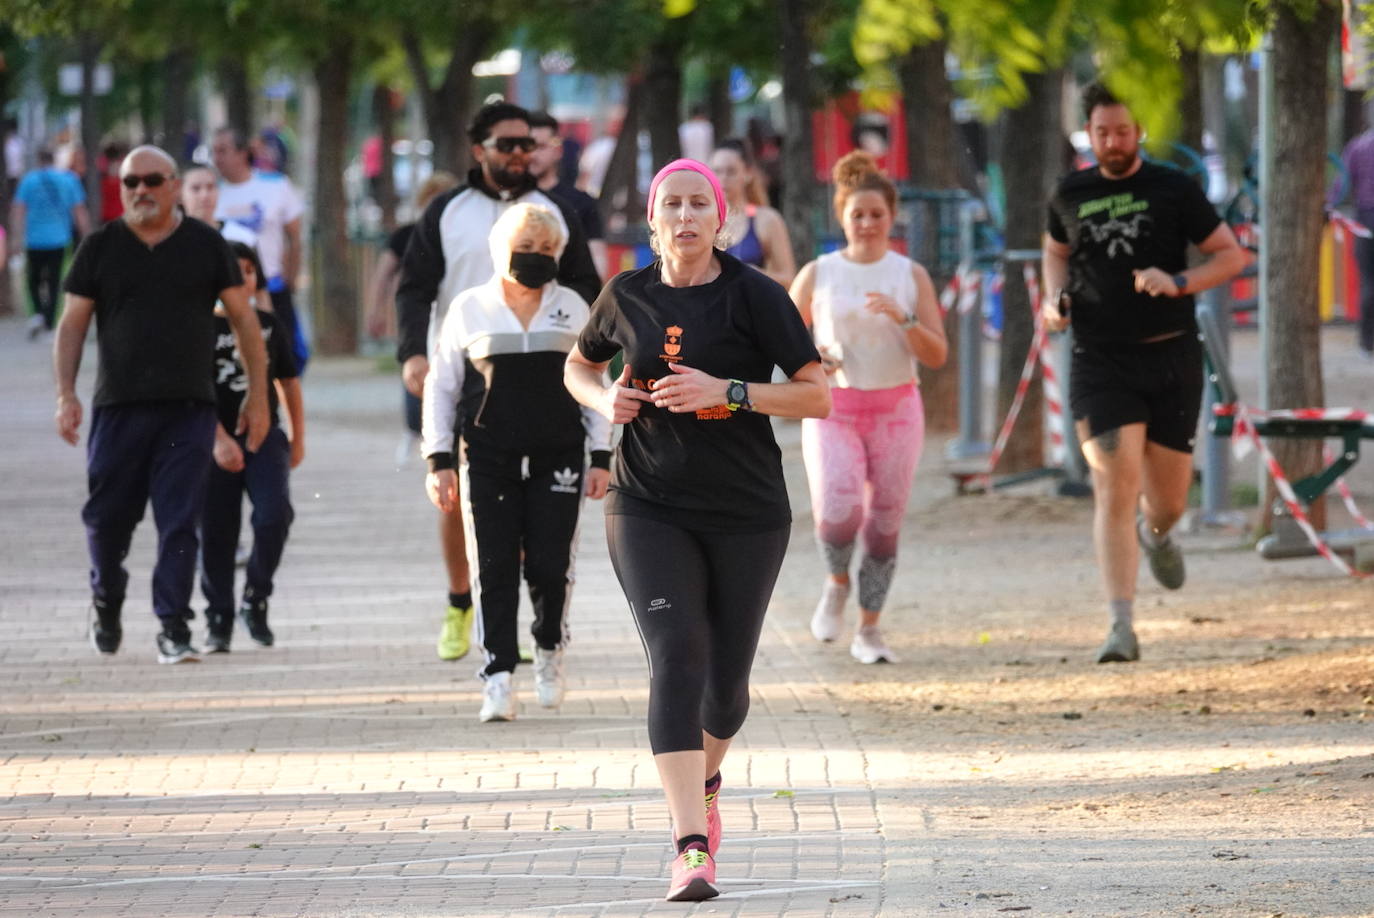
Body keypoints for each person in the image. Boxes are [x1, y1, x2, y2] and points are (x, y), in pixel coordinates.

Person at [564, 159, 829, 902]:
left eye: (697, 205)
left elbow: (818, 397)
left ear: (722, 220)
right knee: (677, 653)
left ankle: (707, 782)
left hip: (747, 511)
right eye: (670, 205)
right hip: (647, 503)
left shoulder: (756, 296)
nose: (684, 217)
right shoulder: (626, 295)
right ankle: (689, 846)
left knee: (727, 693)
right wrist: (601, 397)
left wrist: (730, 391)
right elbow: (578, 366)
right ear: (653, 223)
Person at [1042, 83, 1246, 663]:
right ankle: (1120, 625)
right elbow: (1055, 250)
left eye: (1123, 131)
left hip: (1170, 356)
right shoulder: (1069, 191)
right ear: (1090, 133)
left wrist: (1178, 282)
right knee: (1114, 481)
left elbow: (1231, 255)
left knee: (1168, 502)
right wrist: (1054, 299)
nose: (1113, 142)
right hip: (1099, 360)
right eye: (1102, 132)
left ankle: (1157, 534)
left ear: (1140, 133)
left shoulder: (1174, 188)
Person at [396, 101, 601, 664]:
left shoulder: (555, 213)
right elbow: (414, 287)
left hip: (538, 370)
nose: (519, 154)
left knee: (534, 517)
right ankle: (462, 599)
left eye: (527, 145)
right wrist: (413, 353)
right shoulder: (447, 211)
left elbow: (587, 287)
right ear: (478, 148)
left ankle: (526, 618)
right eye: (507, 144)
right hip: (467, 367)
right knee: (462, 496)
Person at [53, 145, 270, 664]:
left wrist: (258, 395)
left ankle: (174, 626)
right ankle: (106, 599)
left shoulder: (206, 244)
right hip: (118, 407)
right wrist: (66, 394)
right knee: (106, 521)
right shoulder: (101, 246)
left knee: (178, 521)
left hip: (188, 408)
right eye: (131, 182)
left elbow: (244, 321)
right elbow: (72, 326)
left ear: (174, 186)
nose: (141, 191)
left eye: (152, 180)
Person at [423, 203, 610, 721]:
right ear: (498, 251)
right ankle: (498, 675)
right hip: (486, 456)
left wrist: (602, 454)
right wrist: (438, 459)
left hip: (560, 454)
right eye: (524, 250)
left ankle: (549, 649)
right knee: (493, 564)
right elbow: (441, 389)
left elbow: (598, 381)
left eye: (546, 250)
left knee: (552, 565)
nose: (535, 258)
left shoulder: (573, 306)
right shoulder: (467, 309)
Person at [790, 151, 948, 664]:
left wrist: (904, 320)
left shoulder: (910, 275)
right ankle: (837, 583)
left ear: (892, 217)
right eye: (857, 214)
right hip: (835, 407)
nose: (867, 224)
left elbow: (938, 353)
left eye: (877, 214)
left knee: (884, 521)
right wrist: (811, 354)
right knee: (839, 510)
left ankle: (870, 629)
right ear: (842, 216)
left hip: (897, 408)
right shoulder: (820, 273)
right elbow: (779, 339)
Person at [200, 242, 304, 653]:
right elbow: (189, 393)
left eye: (248, 270)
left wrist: (299, 439)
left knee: (274, 515)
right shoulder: (198, 327)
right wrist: (216, 439)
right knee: (217, 532)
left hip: (265, 436)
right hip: (212, 440)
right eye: (232, 269)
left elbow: (289, 383)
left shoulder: (267, 323)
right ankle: (218, 618)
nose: (241, 277)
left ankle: (255, 597)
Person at [366, 171, 460, 464]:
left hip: (454, 313)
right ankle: (413, 428)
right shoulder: (408, 235)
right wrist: (376, 310)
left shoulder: (462, 236)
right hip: (419, 312)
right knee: (416, 361)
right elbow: (383, 275)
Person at [211, 126, 308, 371]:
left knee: (286, 355)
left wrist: (291, 277)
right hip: (226, 291)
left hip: (271, 284)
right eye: (214, 151)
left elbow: (294, 236)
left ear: (243, 153)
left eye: (223, 150)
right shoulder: (210, 192)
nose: (217, 158)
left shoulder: (275, 185)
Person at [9, 148, 91, 338]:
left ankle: (37, 314)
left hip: (34, 240)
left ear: (38, 159)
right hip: (60, 239)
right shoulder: (69, 180)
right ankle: (49, 321)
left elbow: (18, 211)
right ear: (54, 159)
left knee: (33, 280)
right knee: (55, 281)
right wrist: (87, 236)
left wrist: (16, 238)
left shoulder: (28, 181)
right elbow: (79, 211)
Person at [527, 110, 608, 280]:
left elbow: (598, 265)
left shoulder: (582, 203)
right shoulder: (508, 199)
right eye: (528, 146)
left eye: (541, 146)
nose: (533, 154)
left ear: (558, 150)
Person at [709, 138, 796, 287]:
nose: (723, 179)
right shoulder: (703, 219)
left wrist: (753, 273)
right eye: (717, 171)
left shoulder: (767, 219)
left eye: (731, 172)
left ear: (748, 173)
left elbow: (789, 279)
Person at [1332, 113, 1374, 358]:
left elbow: (1341, 185)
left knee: (1369, 282)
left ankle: (1367, 342)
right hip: (1365, 216)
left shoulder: (1358, 146)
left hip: (1366, 218)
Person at [181, 164, 259, 247]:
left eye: (210, 187)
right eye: (196, 188)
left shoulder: (242, 238)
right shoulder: (171, 238)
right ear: (179, 195)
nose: (205, 195)